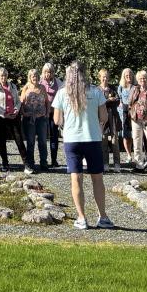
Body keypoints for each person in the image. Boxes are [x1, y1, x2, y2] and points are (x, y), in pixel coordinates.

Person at [52, 62, 114, 230]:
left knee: (76, 178)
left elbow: (57, 120)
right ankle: (103, 216)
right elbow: (104, 116)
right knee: (97, 178)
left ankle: (82, 217)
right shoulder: (96, 91)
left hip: (72, 139)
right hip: (92, 138)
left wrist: (67, 123)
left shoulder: (62, 93)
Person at [0, 66, 28, 172]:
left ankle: (26, 164)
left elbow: (18, 101)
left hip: (14, 117)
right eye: (1, 75)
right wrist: (4, 114)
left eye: (5, 75)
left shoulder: (13, 86)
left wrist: (16, 110)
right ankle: (5, 163)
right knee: (2, 140)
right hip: (1, 118)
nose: (3, 77)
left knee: (19, 139)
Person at [20, 68, 50, 172]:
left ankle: (44, 163)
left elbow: (47, 102)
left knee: (42, 141)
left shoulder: (42, 88)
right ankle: (31, 163)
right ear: (30, 77)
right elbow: (21, 102)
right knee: (31, 142)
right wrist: (24, 113)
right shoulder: (26, 87)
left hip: (41, 118)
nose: (35, 78)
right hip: (29, 119)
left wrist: (47, 113)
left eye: (37, 76)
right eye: (33, 76)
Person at [97, 69, 123, 171]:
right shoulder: (97, 89)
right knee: (103, 140)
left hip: (113, 117)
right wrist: (108, 100)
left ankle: (117, 164)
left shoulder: (113, 88)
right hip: (102, 117)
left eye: (107, 76)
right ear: (99, 77)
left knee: (115, 140)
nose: (105, 78)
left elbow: (117, 100)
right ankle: (105, 163)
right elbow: (99, 103)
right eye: (103, 76)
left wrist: (107, 101)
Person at [39, 64, 62, 168]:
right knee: (42, 137)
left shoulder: (58, 82)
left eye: (50, 72)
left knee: (54, 137)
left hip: (54, 113)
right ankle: (43, 160)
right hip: (42, 113)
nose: (48, 74)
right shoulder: (39, 81)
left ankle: (54, 159)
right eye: (46, 72)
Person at [117, 68, 134, 159]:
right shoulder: (121, 87)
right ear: (124, 76)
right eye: (126, 75)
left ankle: (135, 152)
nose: (128, 77)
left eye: (130, 75)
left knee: (134, 134)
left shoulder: (135, 86)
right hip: (124, 112)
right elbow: (119, 100)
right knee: (126, 134)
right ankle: (128, 154)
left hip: (134, 112)